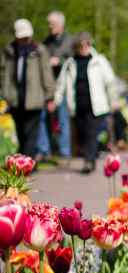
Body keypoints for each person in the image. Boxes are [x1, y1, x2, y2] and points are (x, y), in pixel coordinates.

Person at [53, 32, 117, 174]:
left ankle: (89, 161)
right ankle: (90, 158)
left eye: (86, 44)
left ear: (90, 44)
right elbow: (61, 85)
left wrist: (113, 101)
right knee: (82, 134)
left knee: (91, 133)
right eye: (81, 45)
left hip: (96, 106)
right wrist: (56, 101)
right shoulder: (70, 63)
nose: (84, 47)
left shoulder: (99, 61)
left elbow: (110, 82)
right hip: (77, 105)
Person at [0, 19, 55, 157]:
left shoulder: (39, 51)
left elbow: (47, 74)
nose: (25, 40)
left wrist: (50, 97)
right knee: (20, 133)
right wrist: (5, 95)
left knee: (31, 134)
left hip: (34, 100)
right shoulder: (9, 52)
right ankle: (23, 161)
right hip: (15, 100)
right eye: (22, 37)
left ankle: (26, 163)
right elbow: (4, 75)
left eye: (27, 37)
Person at [37, 11, 74, 164]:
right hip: (47, 86)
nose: (50, 26)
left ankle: (65, 153)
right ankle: (44, 151)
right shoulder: (46, 42)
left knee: (63, 118)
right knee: (43, 118)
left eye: (52, 23)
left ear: (61, 24)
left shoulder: (69, 41)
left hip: (63, 86)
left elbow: (72, 60)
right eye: (49, 23)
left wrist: (58, 61)